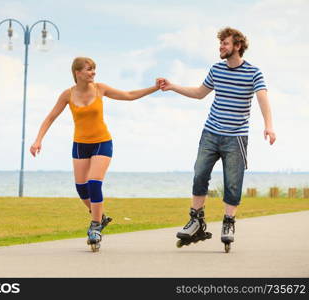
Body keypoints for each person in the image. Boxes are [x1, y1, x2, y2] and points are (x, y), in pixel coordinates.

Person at [157, 27, 276, 251]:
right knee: (199, 174)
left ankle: (229, 223)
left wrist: (269, 126)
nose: (221, 47)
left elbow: (263, 99)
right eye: (220, 43)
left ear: (237, 46)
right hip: (210, 132)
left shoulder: (253, 73)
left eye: (225, 43)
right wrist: (172, 86)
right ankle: (196, 220)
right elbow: (200, 93)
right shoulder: (216, 69)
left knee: (233, 182)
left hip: (236, 137)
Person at [30, 57, 159, 251]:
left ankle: (96, 226)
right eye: (89, 69)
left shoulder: (100, 89)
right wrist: (38, 140)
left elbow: (129, 95)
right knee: (81, 189)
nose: (93, 73)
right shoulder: (67, 94)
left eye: (94, 69)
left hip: (102, 143)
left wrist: (154, 87)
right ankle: (100, 216)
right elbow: (50, 117)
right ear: (77, 73)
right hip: (80, 145)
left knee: (93, 182)